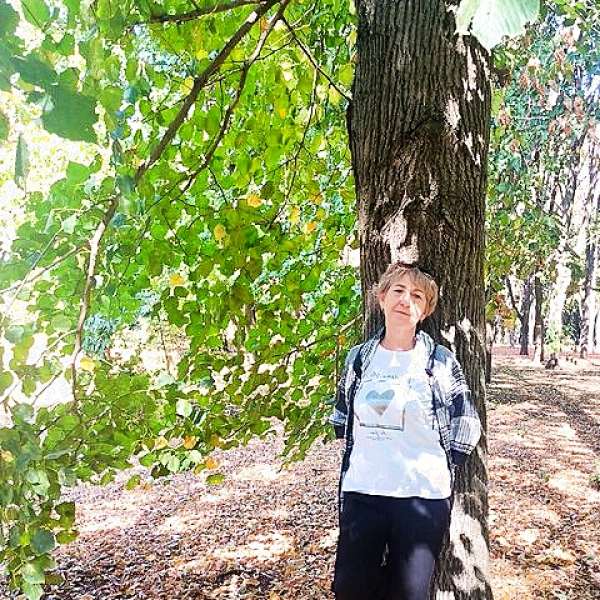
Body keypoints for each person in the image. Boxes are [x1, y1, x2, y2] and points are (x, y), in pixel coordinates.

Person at [330, 261, 482, 600]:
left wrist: (441, 462)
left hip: (422, 496)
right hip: (363, 491)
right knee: (349, 589)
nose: (405, 300)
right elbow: (342, 413)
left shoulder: (440, 361)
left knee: (409, 594)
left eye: (417, 296)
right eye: (398, 290)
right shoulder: (358, 359)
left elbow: (467, 423)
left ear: (425, 311)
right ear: (381, 298)